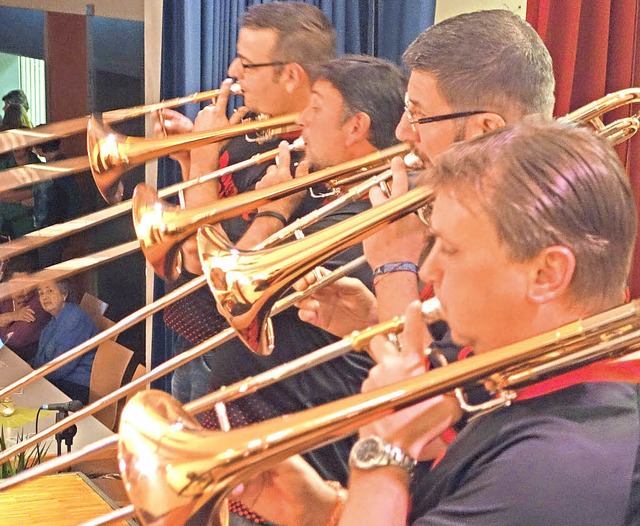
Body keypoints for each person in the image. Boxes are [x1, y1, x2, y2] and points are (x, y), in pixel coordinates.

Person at [235, 120, 640, 526]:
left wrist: (384, 449)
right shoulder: (533, 386)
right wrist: (323, 512)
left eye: (450, 249)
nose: (427, 271)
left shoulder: (555, 466)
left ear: (546, 274)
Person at [295, 10, 556, 347]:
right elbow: (443, 352)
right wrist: (374, 318)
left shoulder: (529, 240)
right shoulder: (469, 207)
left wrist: (393, 268)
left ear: (486, 129)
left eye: (419, 115)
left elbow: (433, 393)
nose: (403, 132)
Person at [159, 1, 336, 403]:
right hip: (197, 338)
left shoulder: (307, 166)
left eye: (246, 63)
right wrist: (192, 158)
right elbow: (201, 217)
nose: (233, 74)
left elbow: (201, 258)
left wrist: (202, 157)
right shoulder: (252, 125)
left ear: (292, 75)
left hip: (247, 368)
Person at [30, 280, 98, 405]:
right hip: (55, 377)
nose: (45, 297)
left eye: (50, 291)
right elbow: (42, 355)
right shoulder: (55, 318)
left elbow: (61, 367)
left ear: (64, 295)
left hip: (75, 384)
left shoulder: (75, 320)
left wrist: (33, 376)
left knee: (29, 398)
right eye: (41, 293)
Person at [0, 268, 51, 361]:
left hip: (22, 362)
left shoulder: (38, 303)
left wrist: (3, 320)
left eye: (28, 284)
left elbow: (13, 340)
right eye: (18, 284)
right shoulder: (4, 295)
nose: (25, 291)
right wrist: (12, 316)